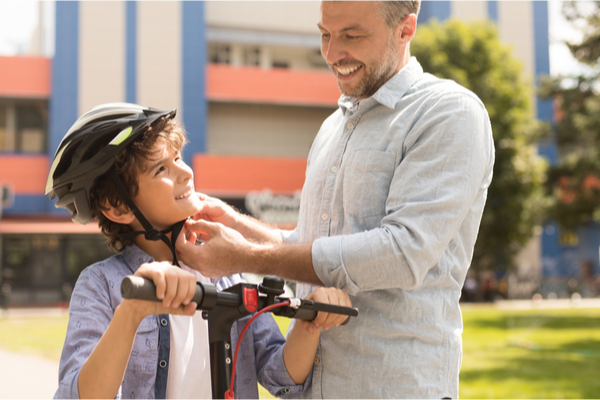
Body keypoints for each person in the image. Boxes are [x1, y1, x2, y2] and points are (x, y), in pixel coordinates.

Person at [176, 1, 495, 398]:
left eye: (351, 36)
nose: (331, 54)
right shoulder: (332, 127)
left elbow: (402, 253)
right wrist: (238, 225)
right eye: (325, 34)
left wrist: (245, 257)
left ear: (405, 29)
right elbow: (310, 252)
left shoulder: (448, 113)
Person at [46, 103, 351, 399]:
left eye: (178, 158)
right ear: (118, 206)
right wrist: (132, 311)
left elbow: (281, 378)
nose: (185, 173)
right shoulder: (102, 285)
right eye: (161, 169)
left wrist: (310, 323)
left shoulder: (226, 276)